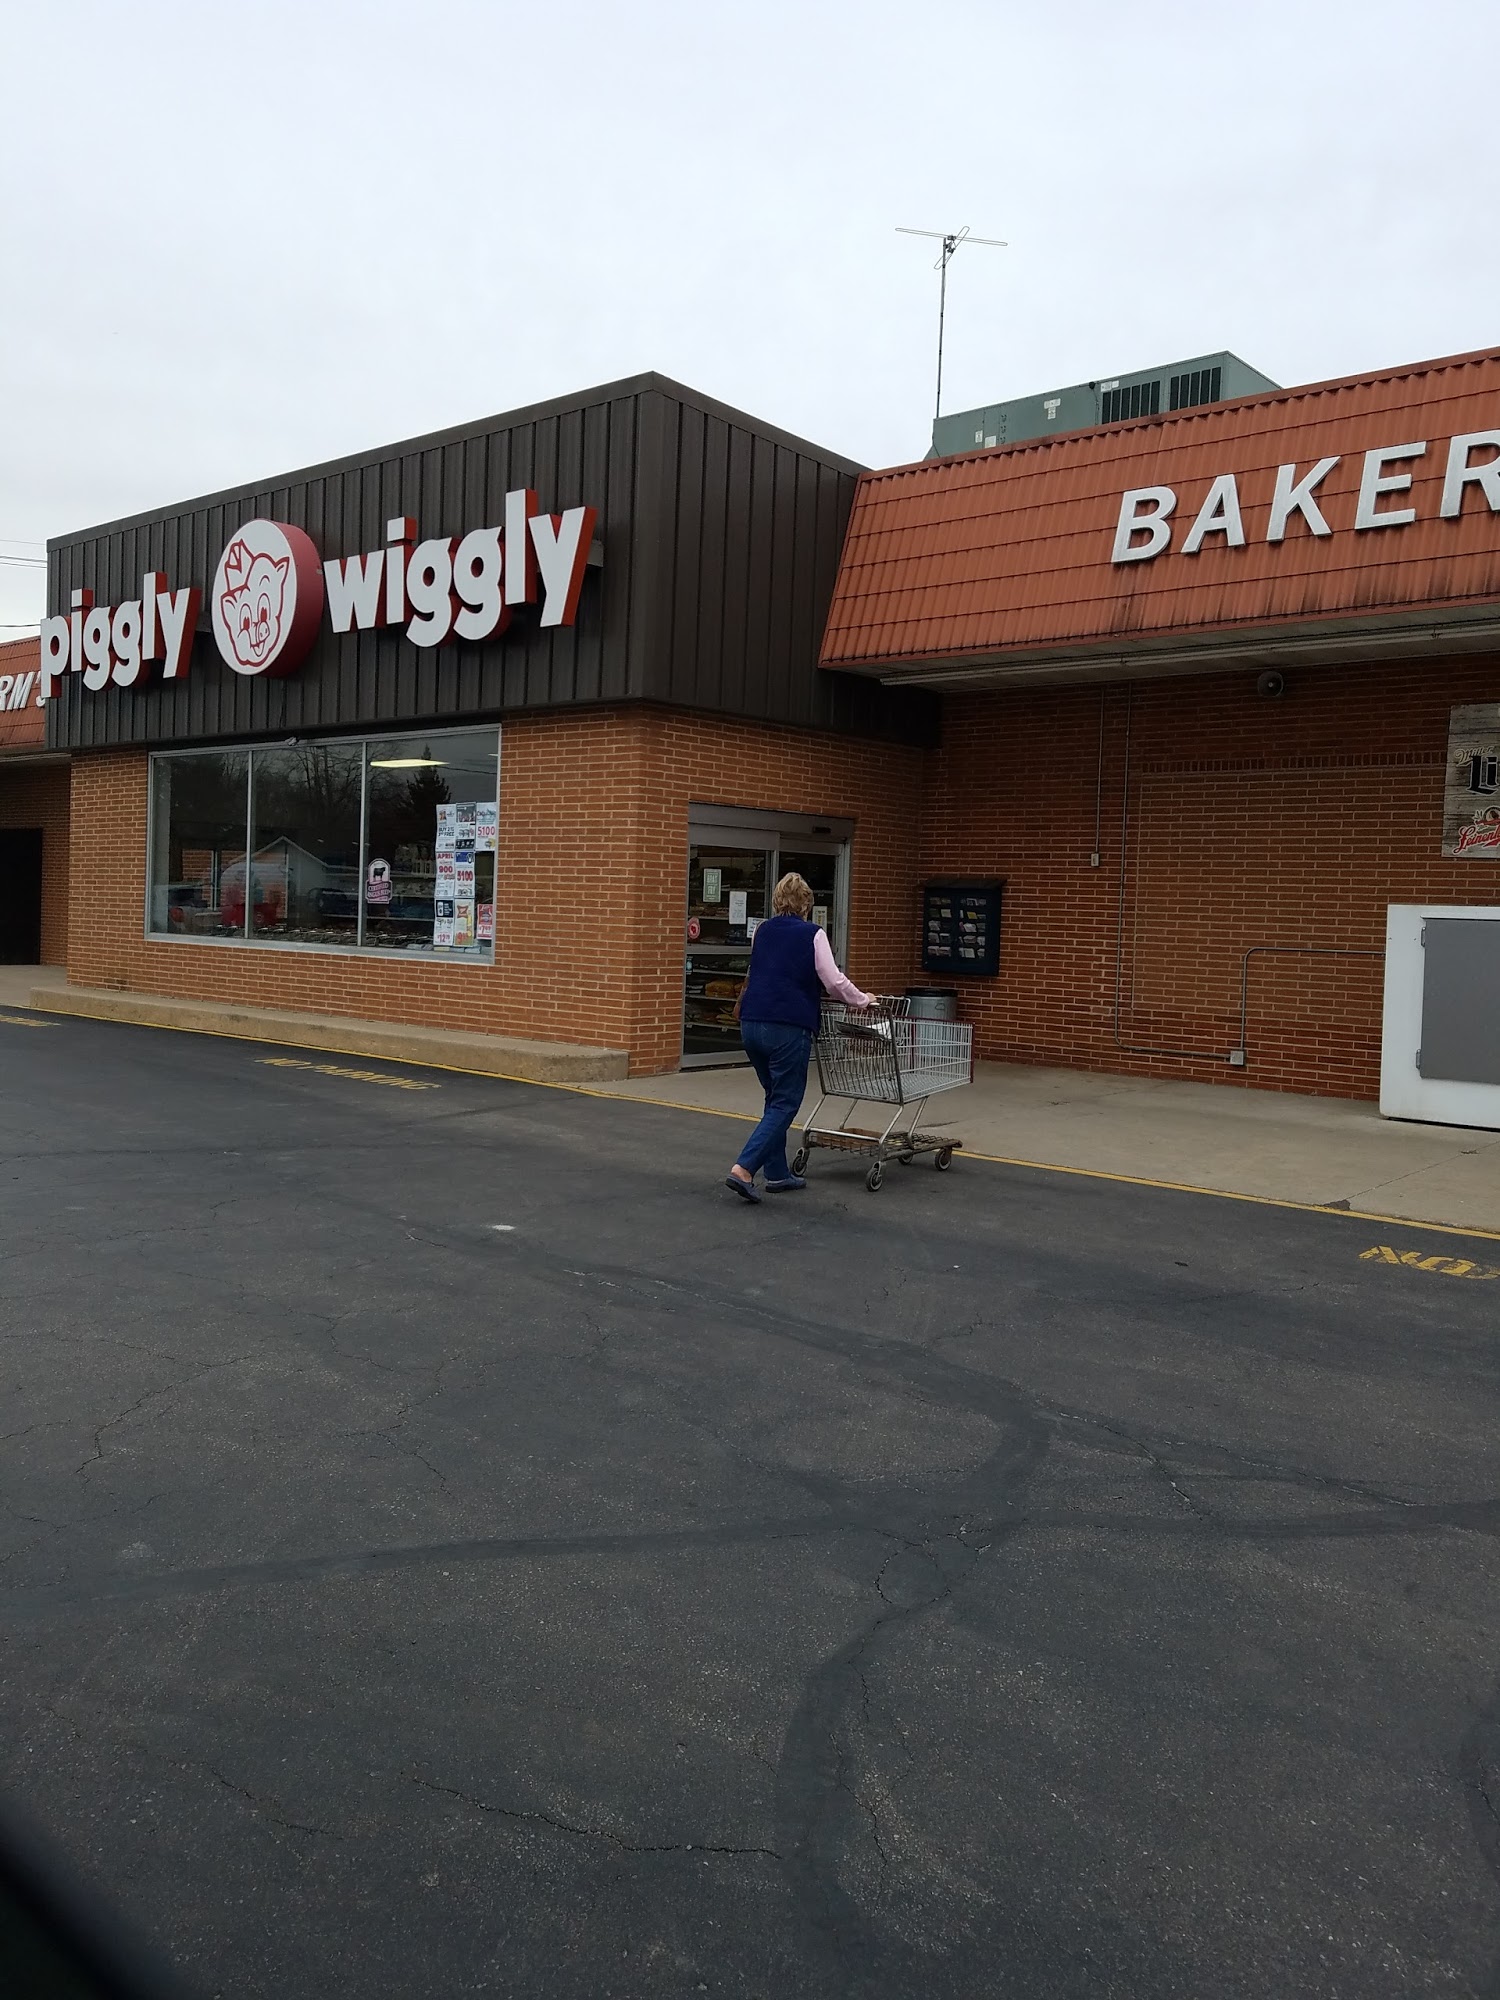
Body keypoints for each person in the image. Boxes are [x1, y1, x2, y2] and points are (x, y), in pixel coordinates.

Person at [725, 873, 874, 1203]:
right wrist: (863, 999)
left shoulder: (762, 931)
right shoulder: (813, 934)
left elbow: (759, 971)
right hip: (788, 1025)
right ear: (806, 903)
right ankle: (744, 1169)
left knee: (774, 1098)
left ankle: (777, 1173)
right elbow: (833, 981)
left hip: (752, 1022)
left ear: (777, 900)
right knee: (786, 1102)